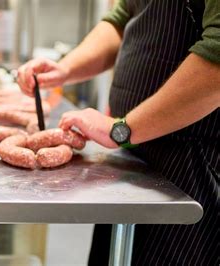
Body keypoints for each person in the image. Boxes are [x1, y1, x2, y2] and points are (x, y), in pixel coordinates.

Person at [17, 0, 219, 265]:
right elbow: (123, 18)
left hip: (192, 164)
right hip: (132, 155)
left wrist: (122, 129)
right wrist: (66, 68)